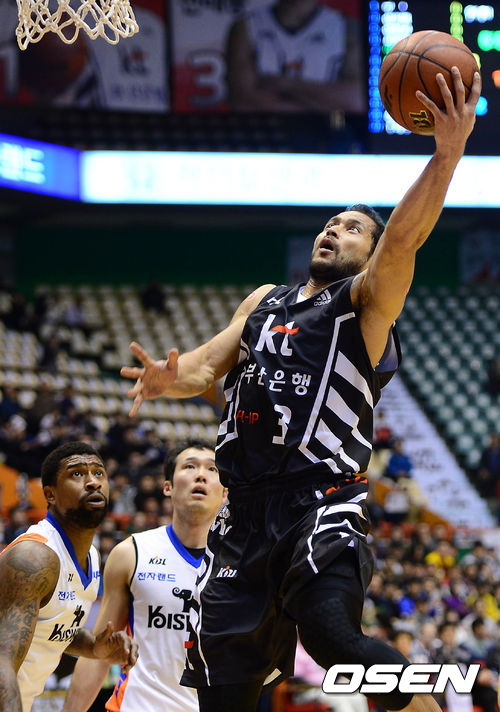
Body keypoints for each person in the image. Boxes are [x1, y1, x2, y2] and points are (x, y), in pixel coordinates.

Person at [120, 67, 481, 712]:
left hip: (322, 500)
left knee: (335, 639)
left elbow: (403, 239)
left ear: (370, 254)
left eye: (351, 228)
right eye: (330, 223)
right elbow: (204, 369)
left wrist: (446, 155)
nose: (332, 230)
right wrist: (169, 379)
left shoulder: (364, 305)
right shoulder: (263, 301)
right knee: (224, 689)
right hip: (243, 513)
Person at [62, 440, 226, 712]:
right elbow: (99, 652)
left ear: (225, 492)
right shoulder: (131, 553)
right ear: (167, 487)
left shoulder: (242, 563)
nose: (200, 475)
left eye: (212, 469)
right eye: (189, 466)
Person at [0, 441, 137, 712]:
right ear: (50, 494)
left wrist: (94, 647)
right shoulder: (33, 557)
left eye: (99, 473)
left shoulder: (92, 557)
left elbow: (47, 629)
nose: (93, 482)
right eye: (77, 474)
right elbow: (2, 661)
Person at [226, 0, 364, 112]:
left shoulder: (347, 28)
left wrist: (286, 84)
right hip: (266, 130)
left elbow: (356, 100)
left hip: (324, 132)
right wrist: (323, 105)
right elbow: (242, 101)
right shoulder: (246, 26)